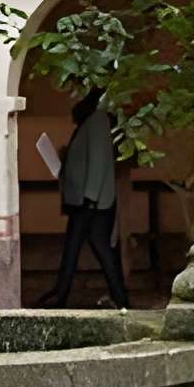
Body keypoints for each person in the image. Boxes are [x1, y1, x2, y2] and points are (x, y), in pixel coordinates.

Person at [34, 88, 132, 308]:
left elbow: (98, 161)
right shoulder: (93, 120)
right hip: (90, 200)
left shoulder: (97, 119)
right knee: (93, 247)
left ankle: (62, 295)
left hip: (91, 202)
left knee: (81, 247)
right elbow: (90, 158)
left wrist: (90, 198)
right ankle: (116, 297)